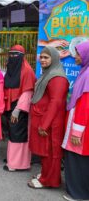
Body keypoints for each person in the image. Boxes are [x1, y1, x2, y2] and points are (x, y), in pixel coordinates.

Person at [28, 46, 69, 189]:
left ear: (54, 59)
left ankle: (49, 181)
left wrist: (44, 124)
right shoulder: (49, 73)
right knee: (46, 152)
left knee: (51, 152)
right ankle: (46, 175)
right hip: (45, 119)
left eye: (46, 57)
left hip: (51, 123)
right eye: (42, 57)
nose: (43, 60)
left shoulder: (57, 77)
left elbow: (55, 102)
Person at [62, 41, 89, 201]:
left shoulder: (87, 76)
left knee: (78, 160)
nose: (76, 57)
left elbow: (85, 105)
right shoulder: (84, 72)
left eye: (79, 54)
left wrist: (77, 132)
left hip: (81, 129)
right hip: (79, 125)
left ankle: (79, 194)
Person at [3, 45, 36, 171]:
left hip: (20, 108)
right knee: (12, 133)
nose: (12, 57)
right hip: (10, 105)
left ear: (22, 56)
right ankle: (12, 158)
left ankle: (17, 164)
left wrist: (17, 110)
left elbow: (27, 92)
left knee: (18, 134)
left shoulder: (27, 71)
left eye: (16, 54)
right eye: (10, 54)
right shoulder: (11, 68)